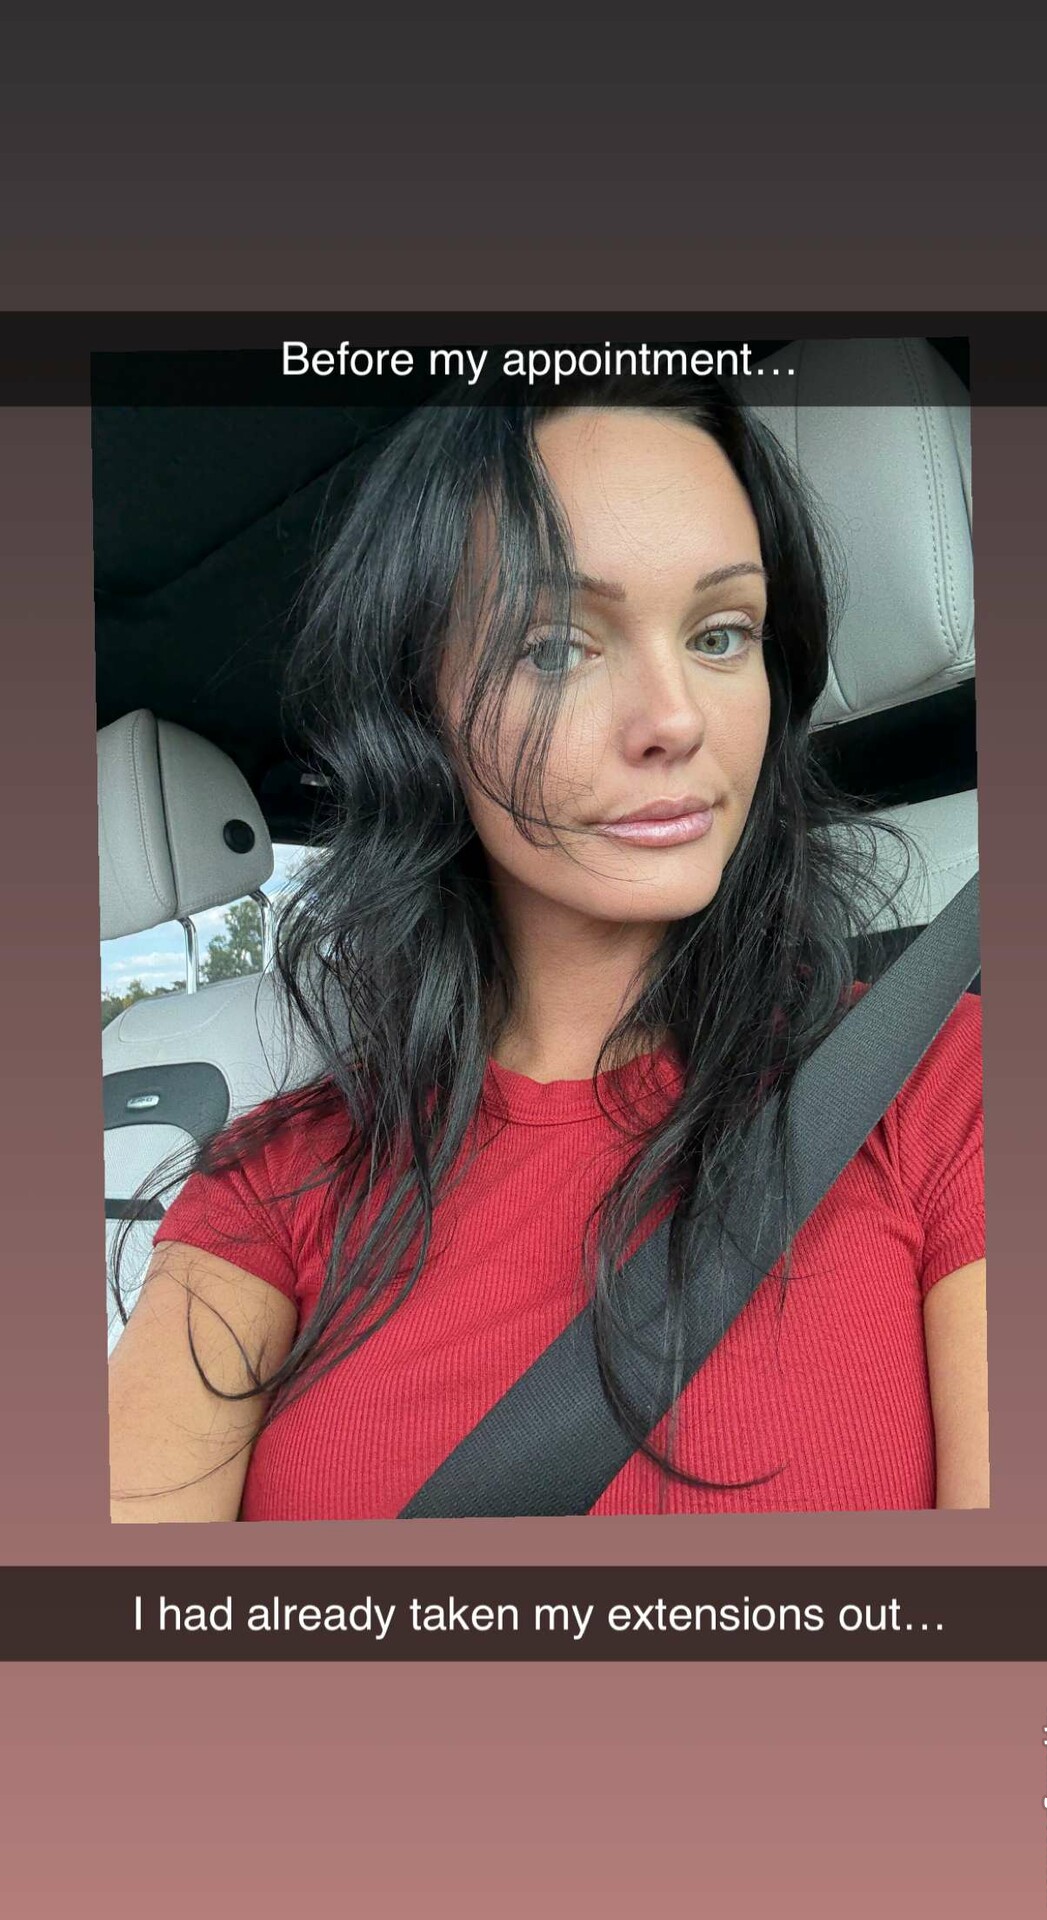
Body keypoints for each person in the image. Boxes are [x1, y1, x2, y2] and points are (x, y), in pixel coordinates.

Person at [107, 379, 987, 1522]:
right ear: (419, 714)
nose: (677, 718)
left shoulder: (944, 1085)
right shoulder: (275, 1181)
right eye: (558, 647)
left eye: (721, 635)